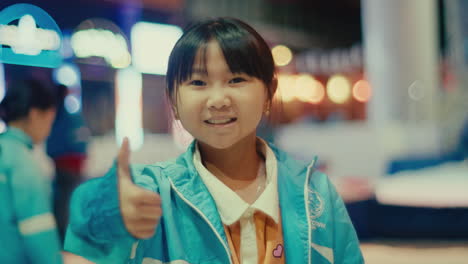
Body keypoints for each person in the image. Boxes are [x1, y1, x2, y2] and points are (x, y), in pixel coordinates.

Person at [65, 17, 364, 264]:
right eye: (198, 82)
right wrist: (110, 209)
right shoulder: (153, 191)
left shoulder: (316, 193)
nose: (218, 99)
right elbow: (84, 218)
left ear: (268, 94)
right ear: (174, 101)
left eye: (236, 80)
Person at [0, 78, 63, 264]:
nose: (49, 131)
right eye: (50, 120)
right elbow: (37, 227)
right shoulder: (23, 161)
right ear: (35, 114)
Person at [46, 84, 89, 242]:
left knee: (64, 202)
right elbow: (83, 141)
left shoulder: (58, 117)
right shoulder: (70, 117)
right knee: (68, 202)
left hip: (65, 166)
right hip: (71, 166)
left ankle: (65, 236)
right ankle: (68, 237)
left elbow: (51, 146)